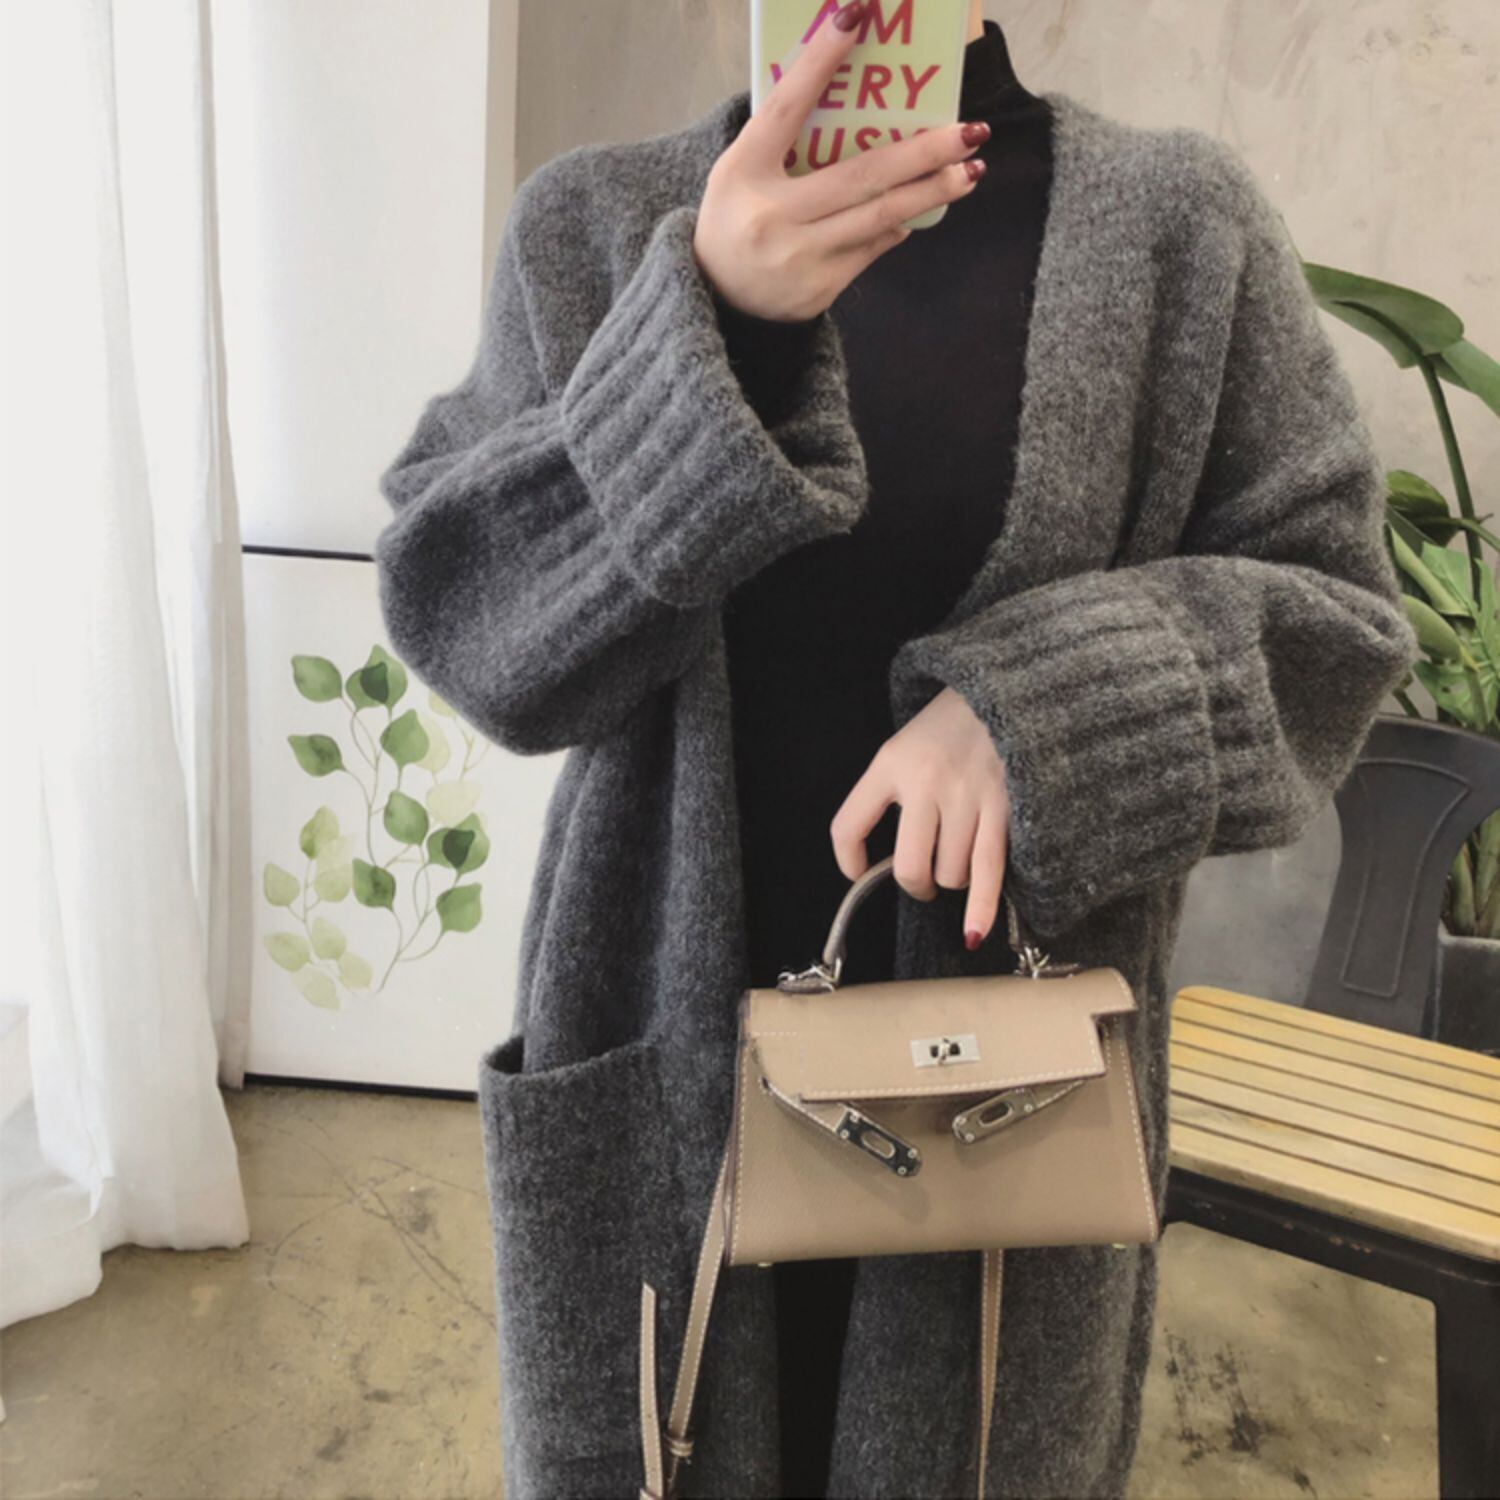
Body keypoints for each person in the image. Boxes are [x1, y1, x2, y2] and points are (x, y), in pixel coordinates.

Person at [373, 3, 1416, 1496]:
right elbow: (470, 626)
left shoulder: (1182, 232)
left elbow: (1338, 621)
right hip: (662, 1077)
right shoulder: (594, 227)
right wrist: (719, 334)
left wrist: (1040, 712)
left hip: (1008, 1105)